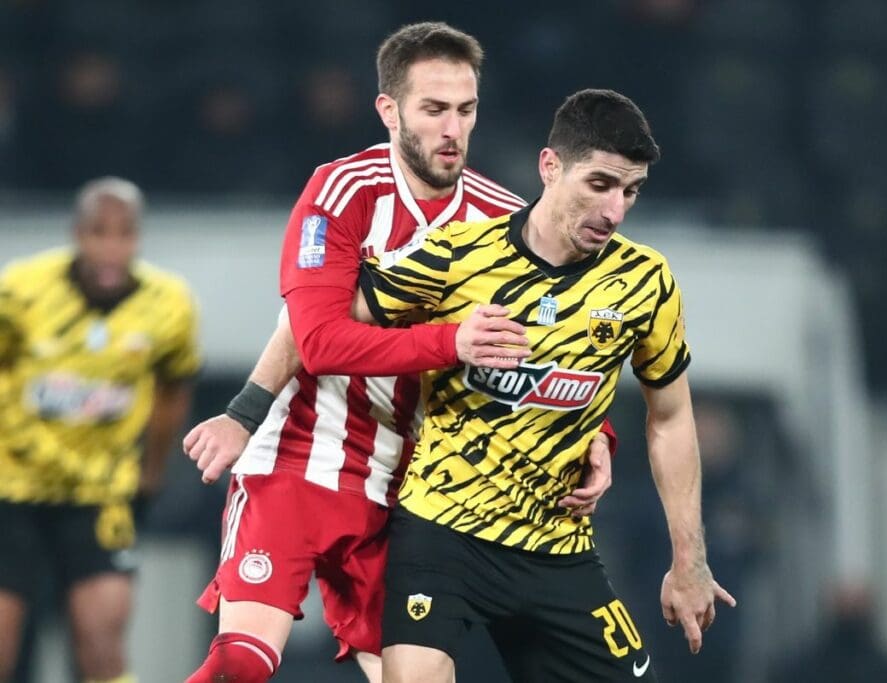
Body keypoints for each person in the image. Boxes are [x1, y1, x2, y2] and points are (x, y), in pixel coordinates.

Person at [182, 22, 615, 683]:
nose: (453, 129)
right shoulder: (341, 191)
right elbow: (318, 341)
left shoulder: (508, 221)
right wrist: (452, 340)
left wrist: (598, 436)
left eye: (466, 110)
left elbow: (563, 343)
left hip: (415, 490)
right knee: (241, 662)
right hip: (300, 457)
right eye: (434, 109)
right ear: (389, 110)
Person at [351, 88, 736, 682]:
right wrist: (442, 343)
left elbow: (670, 416)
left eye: (631, 191)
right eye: (600, 184)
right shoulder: (457, 256)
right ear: (550, 167)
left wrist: (689, 560)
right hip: (442, 533)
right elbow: (326, 330)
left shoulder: (645, 281)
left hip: (557, 549)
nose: (614, 212)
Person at [0, 176, 201, 683]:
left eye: (124, 234)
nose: (112, 248)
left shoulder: (168, 305)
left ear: (139, 237)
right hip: (11, 491)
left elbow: (173, 389)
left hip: (100, 495)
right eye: (98, 232)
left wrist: (151, 473)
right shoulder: (20, 292)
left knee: (103, 647)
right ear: (77, 233)